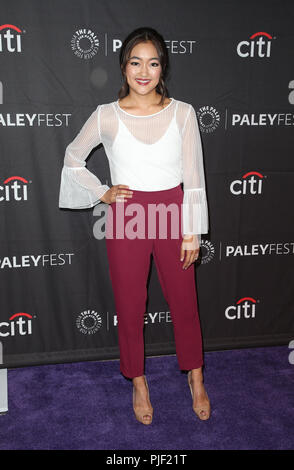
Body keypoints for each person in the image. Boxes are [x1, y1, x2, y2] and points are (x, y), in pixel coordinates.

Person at [59, 27, 210, 425]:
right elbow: (73, 157)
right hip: (128, 216)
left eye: (154, 62)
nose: (145, 71)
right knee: (129, 305)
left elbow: (194, 176)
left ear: (164, 68)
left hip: (173, 213)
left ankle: (196, 376)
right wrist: (103, 192)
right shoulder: (106, 115)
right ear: (124, 67)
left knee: (185, 302)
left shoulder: (183, 112)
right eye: (136, 62)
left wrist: (192, 230)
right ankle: (138, 380)